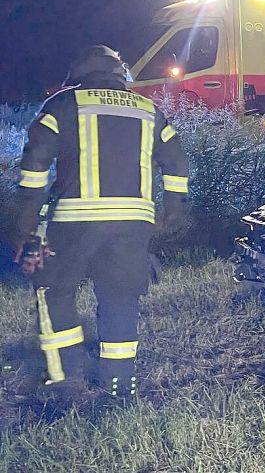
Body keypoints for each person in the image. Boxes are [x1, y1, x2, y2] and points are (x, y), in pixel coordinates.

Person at [12, 45, 190, 403]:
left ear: (79, 73)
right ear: (119, 74)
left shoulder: (62, 105)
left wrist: (25, 225)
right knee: (120, 297)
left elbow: (34, 168)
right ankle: (119, 382)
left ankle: (65, 375)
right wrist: (174, 208)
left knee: (54, 291)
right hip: (132, 224)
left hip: (73, 222)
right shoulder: (147, 109)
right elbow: (176, 162)